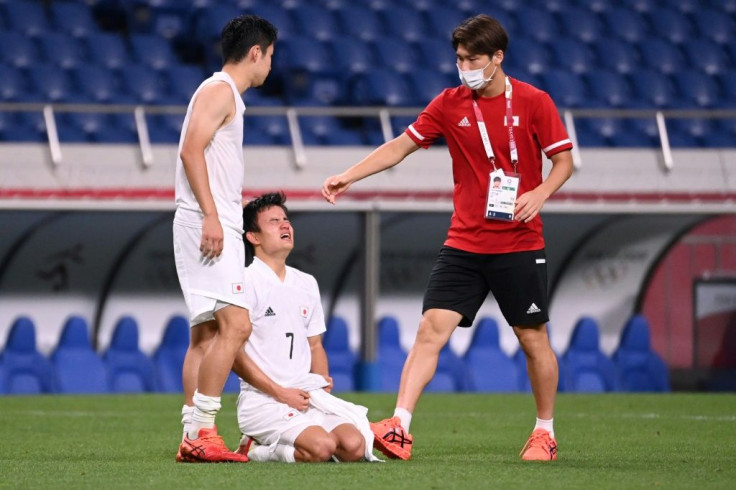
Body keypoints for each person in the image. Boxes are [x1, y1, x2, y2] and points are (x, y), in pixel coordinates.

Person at [321, 14, 573, 462]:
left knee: (533, 339)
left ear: (497, 58)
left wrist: (539, 192)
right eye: (458, 58)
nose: (463, 67)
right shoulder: (449, 103)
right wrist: (349, 176)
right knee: (429, 330)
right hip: (464, 243)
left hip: (519, 243)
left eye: (472, 59)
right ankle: (399, 425)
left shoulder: (535, 102)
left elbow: (564, 162)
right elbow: (400, 145)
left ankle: (544, 432)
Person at [173, 15, 277, 463]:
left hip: (201, 221)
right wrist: (213, 216)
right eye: (270, 55)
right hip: (206, 223)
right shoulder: (219, 91)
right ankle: (202, 431)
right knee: (237, 325)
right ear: (256, 53)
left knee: (206, 334)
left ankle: (191, 434)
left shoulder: (220, 92)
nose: (271, 65)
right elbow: (190, 148)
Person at [232, 192, 380, 463]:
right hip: (262, 400)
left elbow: (315, 344)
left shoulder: (306, 282)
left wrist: (321, 384)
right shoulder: (243, 282)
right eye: (274, 221)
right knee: (322, 448)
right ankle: (256, 450)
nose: (285, 225)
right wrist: (280, 393)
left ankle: (288, 439)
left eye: (286, 219)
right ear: (253, 237)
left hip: (303, 395)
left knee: (354, 446)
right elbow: (234, 354)